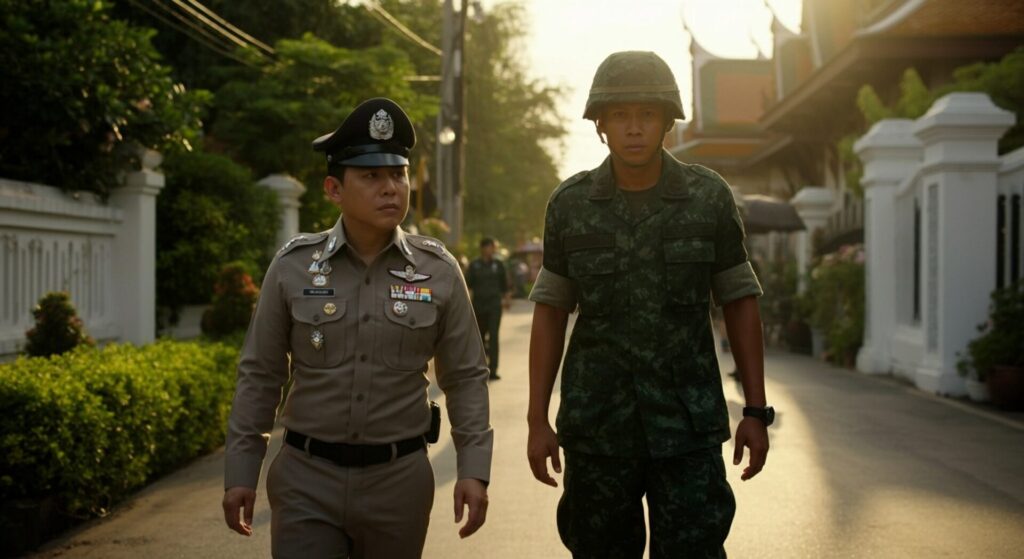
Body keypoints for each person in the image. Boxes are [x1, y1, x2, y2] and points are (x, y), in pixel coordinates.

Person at [526, 51, 774, 559]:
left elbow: (740, 302)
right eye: (620, 115)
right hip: (598, 429)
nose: (633, 128)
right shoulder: (569, 205)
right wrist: (536, 421)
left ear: (666, 122)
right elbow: (550, 313)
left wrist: (755, 410)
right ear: (600, 124)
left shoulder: (709, 198)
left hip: (686, 427)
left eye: (646, 115)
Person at [222, 97, 492, 559]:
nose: (390, 188)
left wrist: (474, 469)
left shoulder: (439, 270)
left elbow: (465, 377)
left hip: (399, 483)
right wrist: (241, 472)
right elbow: (261, 374)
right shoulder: (293, 268)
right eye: (371, 176)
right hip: (307, 479)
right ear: (334, 189)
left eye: (398, 174)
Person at [466, 237, 511, 380]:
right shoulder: (474, 265)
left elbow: (505, 285)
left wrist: (507, 299)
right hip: (478, 306)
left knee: (494, 337)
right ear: (482, 248)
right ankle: (479, 368)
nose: (490, 249)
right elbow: (467, 285)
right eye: (487, 247)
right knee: (479, 339)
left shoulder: (498, 265)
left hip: (494, 306)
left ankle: (493, 369)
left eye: (492, 247)